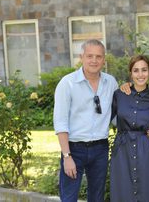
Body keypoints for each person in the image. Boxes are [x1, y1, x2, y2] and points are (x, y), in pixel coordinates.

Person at [53, 39, 118, 202]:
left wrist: (139, 127)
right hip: (74, 149)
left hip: (101, 148)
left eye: (98, 56)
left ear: (104, 59)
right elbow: (60, 123)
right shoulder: (67, 83)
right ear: (81, 57)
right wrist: (67, 156)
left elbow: (117, 116)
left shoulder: (111, 83)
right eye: (90, 56)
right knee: (69, 198)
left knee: (97, 197)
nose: (94, 60)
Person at [110, 55, 149, 202]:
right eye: (136, 70)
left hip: (144, 148)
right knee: (122, 191)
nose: (140, 74)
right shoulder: (119, 94)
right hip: (122, 148)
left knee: (146, 189)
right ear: (131, 73)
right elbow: (105, 119)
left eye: (144, 70)